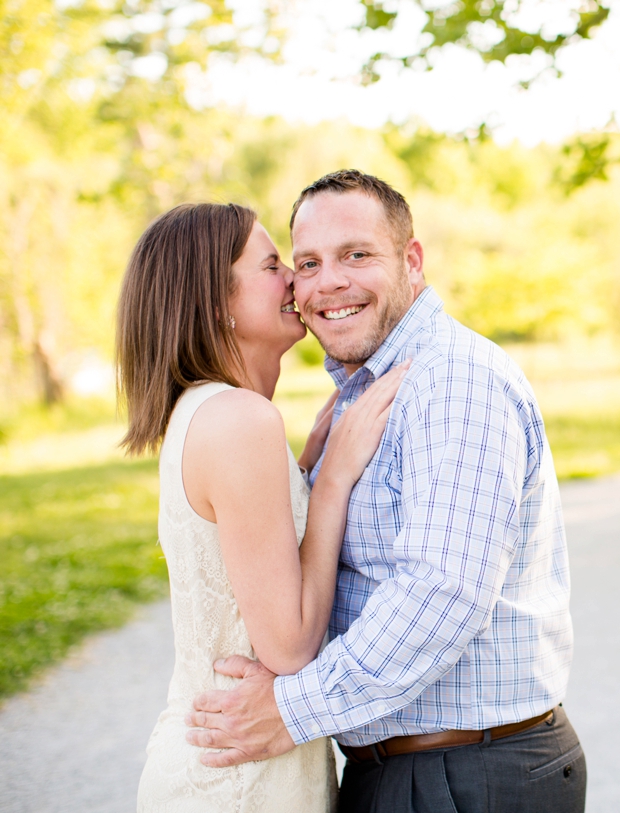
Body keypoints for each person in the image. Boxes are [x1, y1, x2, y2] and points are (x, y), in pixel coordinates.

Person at [183, 170, 586, 813]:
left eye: (357, 255)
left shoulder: (451, 382)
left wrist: (291, 707)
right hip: (409, 771)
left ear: (412, 261)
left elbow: (440, 591)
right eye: (308, 263)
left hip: (464, 775)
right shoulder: (362, 390)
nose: (328, 282)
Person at [116, 202, 408, 812]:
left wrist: (303, 470)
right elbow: (289, 647)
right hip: (238, 780)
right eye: (273, 265)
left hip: (245, 758)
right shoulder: (238, 419)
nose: (296, 281)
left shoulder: (211, 412)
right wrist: (333, 483)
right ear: (215, 301)